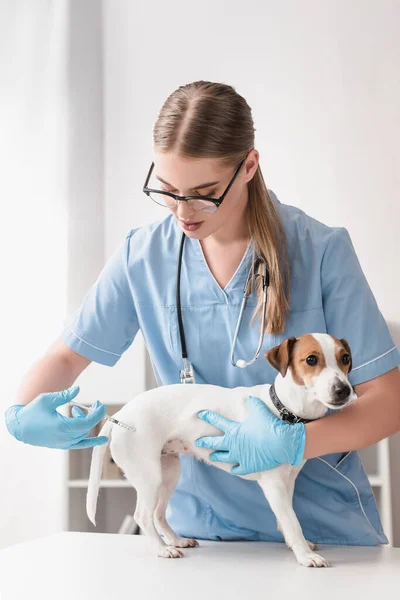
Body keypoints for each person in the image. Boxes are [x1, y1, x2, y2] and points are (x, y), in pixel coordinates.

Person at [5, 80, 400, 546]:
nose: (182, 211)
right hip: (198, 535)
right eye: (167, 190)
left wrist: (294, 444)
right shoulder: (144, 256)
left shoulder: (322, 250)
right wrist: (20, 413)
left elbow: (388, 402)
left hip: (322, 532)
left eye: (204, 192)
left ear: (249, 165)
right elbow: (66, 358)